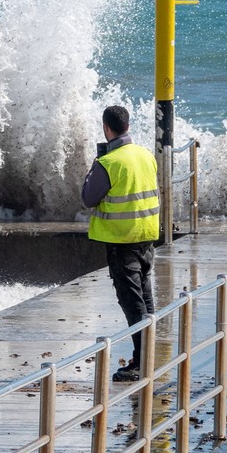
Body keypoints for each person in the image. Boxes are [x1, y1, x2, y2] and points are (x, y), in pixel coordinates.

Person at [81, 106, 160, 382]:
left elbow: (88, 198)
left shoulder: (108, 163)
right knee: (145, 297)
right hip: (146, 235)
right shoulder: (145, 155)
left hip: (121, 240)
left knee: (132, 300)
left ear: (106, 128)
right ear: (128, 125)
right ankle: (148, 356)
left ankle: (142, 362)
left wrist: (94, 166)